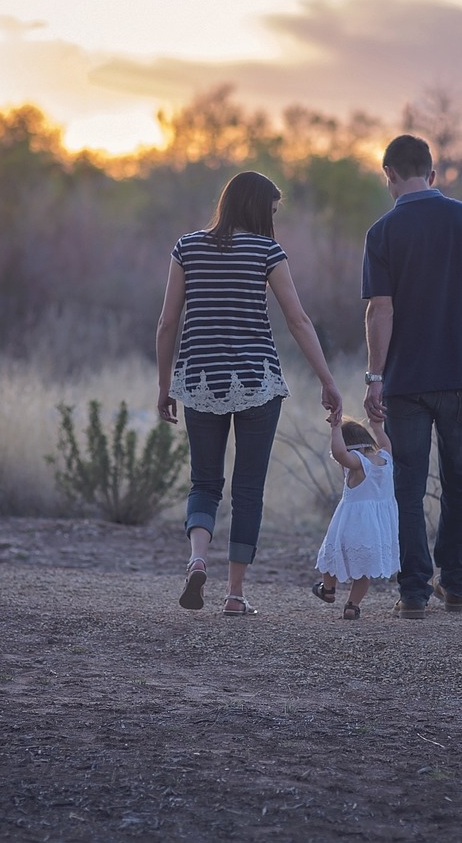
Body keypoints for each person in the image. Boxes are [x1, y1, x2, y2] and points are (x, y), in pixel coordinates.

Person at [156, 171, 342, 617]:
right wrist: (327, 380)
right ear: (259, 208)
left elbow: (166, 323)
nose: (274, 219)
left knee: (204, 482)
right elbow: (298, 320)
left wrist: (165, 386)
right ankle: (235, 595)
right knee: (248, 490)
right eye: (272, 210)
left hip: (200, 380)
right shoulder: (267, 251)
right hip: (258, 381)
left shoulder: (187, 247)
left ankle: (198, 557)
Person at [361, 134, 462, 620]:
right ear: (432, 173)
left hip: (406, 383)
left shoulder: (382, 232)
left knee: (407, 487)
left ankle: (412, 592)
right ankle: (456, 584)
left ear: (388, 175)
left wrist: (374, 376)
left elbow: (379, 311)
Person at [312, 414, 400, 620]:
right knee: (364, 569)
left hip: (352, 524)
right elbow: (386, 444)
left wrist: (335, 429)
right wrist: (377, 427)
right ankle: (352, 605)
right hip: (377, 528)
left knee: (331, 555)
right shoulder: (386, 458)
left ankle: (328, 589)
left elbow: (340, 453)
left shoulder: (359, 463)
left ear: (352, 448)